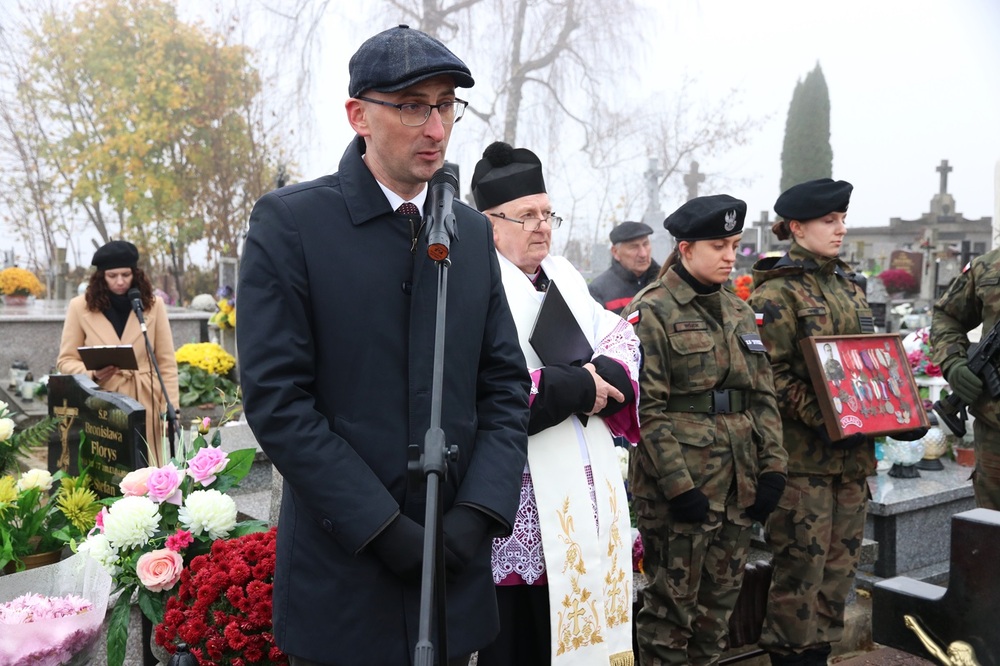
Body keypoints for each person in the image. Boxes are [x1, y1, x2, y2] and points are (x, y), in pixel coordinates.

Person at [236, 26, 531, 666]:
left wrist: (477, 513)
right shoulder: (292, 225)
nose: (436, 128)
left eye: (446, 105)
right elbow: (279, 401)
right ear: (358, 115)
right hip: (346, 579)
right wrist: (382, 528)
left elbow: (504, 386)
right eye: (412, 106)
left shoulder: (472, 234)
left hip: (455, 574)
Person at [470, 140, 640, 666]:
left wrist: (605, 372)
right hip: (518, 491)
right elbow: (474, 384)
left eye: (547, 214)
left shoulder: (564, 276)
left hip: (582, 485)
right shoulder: (473, 282)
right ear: (488, 223)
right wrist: (569, 386)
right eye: (526, 216)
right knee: (523, 637)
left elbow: (617, 334)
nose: (541, 226)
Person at [748, 179, 925, 665]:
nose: (840, 229)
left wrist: (898, 412)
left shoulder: (849, 285)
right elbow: (768, 376)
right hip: (804, 465)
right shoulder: (776, 294)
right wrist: (827, 416)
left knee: (837, 577)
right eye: (830, 221)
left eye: (843, 219)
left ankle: (819, 655)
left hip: (852, 462)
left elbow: (867, 365)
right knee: (799, 578)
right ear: (798, 228)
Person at [622, 195, 787, 665]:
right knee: (670, 616)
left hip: (737, 484)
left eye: (734, 244)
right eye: (719, 245)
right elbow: (645, 410)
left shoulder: (737, 310)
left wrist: (773, 468)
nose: (730, 255)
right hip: (682, 488)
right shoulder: (651, 311)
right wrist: (678, 487)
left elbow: (763, 396)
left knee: (718, 616)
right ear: (687, 248)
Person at [57, 240, 180, 466]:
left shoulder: (154, 305)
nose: (120, 281)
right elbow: (65, 361)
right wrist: (92, 372)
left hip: (146, 399)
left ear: (135, 273)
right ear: (101, 276)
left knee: (147, 467)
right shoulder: (79, 307)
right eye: (112, 276)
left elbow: (166, 363)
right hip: (104, 402)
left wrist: (171, 409)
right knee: (110, 470)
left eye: (126, 274)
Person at [929, 248, 1000, 510]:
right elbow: (946, 316)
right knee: (992, 539)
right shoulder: (988, 266)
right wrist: (953, 362)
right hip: (996, 437)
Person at [589, 221, 660, 313]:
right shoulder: (598, 290)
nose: (643, 254)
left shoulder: (665, 280)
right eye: (634, 247)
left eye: (645, 244)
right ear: (615, 252)